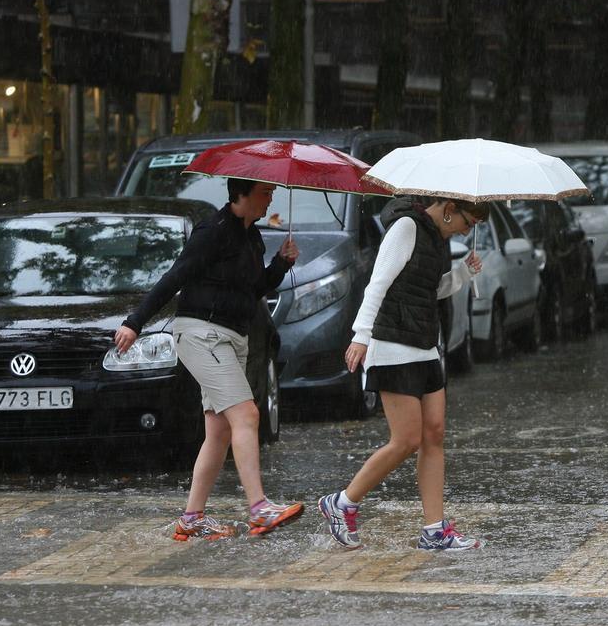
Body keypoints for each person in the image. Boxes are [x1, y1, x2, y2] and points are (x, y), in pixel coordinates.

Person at [114, 178, 303, 541]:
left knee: (218, 430)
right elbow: (175, 278)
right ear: (241, 195)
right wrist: (134, 322)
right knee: (247, 414)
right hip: (202, 334)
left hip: (232, 337)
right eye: (265, 193)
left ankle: (191, 518)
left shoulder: (252, 237)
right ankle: (260, 508)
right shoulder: (212, 231)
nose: (270, 199)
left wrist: (280, 263)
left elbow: (254, 288)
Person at [318, 195, 487, 552]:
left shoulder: (439, 240)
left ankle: (434, 530)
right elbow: (378, 283)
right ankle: (343, 502)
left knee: (435, 433)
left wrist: (462, 272)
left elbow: (430, 289)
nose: (465, 230)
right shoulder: (406, 227)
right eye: (467, 223)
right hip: (391, 343)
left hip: (425, 344)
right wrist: (361, 336)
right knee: (406, 440)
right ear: (449, 209)